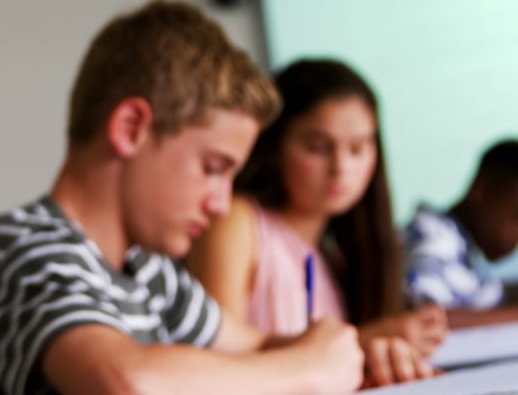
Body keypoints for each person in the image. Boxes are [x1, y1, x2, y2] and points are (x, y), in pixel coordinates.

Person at [0, 0, 368, 395]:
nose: (220, 204)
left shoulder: (150, 271)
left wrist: (356, 351)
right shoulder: (21, 246)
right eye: (213, 169)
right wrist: (310, 370)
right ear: (131, 129)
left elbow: (260, 347)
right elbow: (127, 384)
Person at [185, 58, 444, 387]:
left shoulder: (334, 256)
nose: (340, 168)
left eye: (358, 148)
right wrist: (360, 342)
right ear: (275, 146)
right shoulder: (238, 221)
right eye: (317, 147)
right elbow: (214, 363)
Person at [405, 139, 518, 327]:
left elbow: (492, 297)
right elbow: (423, 320)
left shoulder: (463, 251)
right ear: (481, 191)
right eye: (516, 216)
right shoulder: (433, 239)